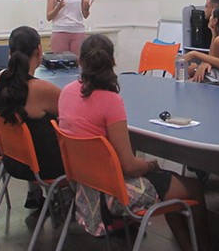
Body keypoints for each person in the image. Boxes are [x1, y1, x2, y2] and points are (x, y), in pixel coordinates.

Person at [58, 34, 210, 251]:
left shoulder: (66, 93)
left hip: (86, 184)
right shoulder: (111, 101)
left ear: (80, 61)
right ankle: (200, 247)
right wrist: (150, 165)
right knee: (191, 186)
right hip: (114, 191)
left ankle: (187, 245)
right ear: (112, 62)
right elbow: (129, 165)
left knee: (166, 182)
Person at [0, 26, 65, 209]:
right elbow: (74, 115)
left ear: (9, 52)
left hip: (12, 159)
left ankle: (35, 193)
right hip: (44, 166)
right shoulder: (42, 90)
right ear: (39, 50)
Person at [187, 5, 219, 78]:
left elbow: (211, 62)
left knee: (190, 75)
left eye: (211, 16)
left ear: (215, 21)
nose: (209, 18)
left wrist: (195, 69)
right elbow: (211, 61)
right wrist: (213, 32)